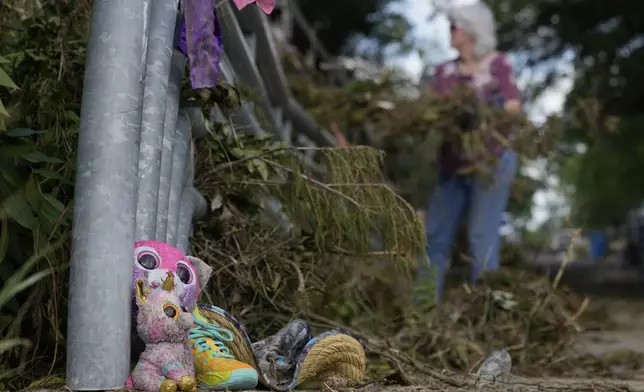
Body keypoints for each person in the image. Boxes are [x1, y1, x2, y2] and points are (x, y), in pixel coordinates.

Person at [418, 1, 523, 300]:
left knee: (481, 239)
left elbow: (513, 107)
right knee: (435, 237)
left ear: (471, 31)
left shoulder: (497, 65)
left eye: (454, 26)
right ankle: (422, 312)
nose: (449, 31)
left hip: (491, 162)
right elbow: (429, 113)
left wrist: (480, 112)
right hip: (451, 164)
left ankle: (486, 315)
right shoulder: (444, 72)